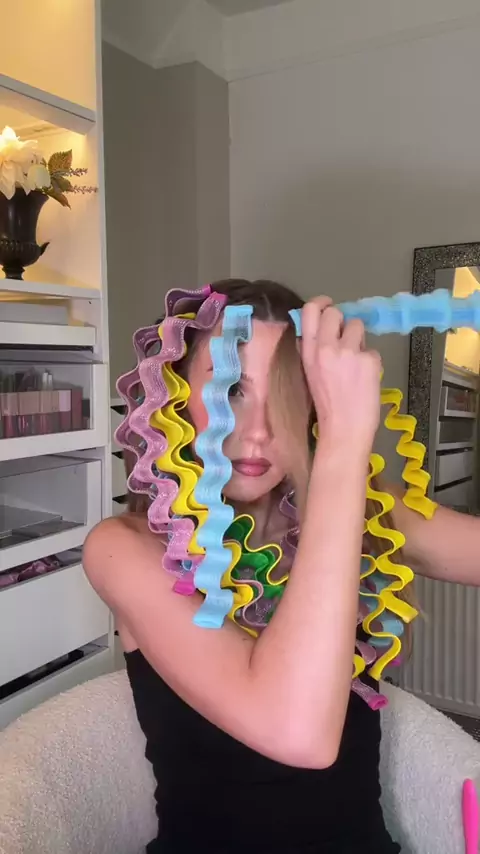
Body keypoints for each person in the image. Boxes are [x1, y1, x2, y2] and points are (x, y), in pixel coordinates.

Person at [84, 278, 480, 853]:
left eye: (290, 394)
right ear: (174, 397)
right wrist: (346, 442)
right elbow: (299, 735)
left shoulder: (363, 512)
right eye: (231, 390)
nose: (260, 431)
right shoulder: (124, 550)